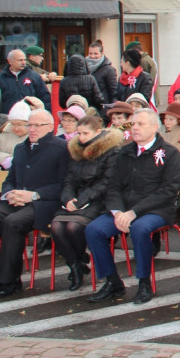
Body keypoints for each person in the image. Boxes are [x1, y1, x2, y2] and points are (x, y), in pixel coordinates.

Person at [85, 109, 180, 304]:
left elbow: (168, 191)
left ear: (155, 128)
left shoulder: (170, 153)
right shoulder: (125, 152)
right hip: (124, 209)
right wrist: (118, 212)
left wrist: (134, 212)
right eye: (134, 124)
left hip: (156, 210)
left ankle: (144, 283)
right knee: (94, 230)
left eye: (141, 124)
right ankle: (113, 282)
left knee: (140, 229)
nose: (135, 128)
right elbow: (113, 186)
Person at [0, 110, 70, 299]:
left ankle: (7, 281)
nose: (31, 129)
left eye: (36, 126)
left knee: (13, 223)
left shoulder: (61, 148)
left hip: (43, 204)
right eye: (29, 125)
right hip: (15, 200)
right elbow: (10, 179)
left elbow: (65, 184)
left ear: (50, 127)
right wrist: (10, 193)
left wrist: (34, 195)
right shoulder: (20, 148)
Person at [50, 115, 122, 291]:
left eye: (85, 133)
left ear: (98, 132)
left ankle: (79, 260)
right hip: (76, 199)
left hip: (98, 200)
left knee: (73, 227)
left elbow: (106, 182)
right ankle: (76, 264)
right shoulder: (76, 151)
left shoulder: (111, 151)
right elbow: (69, 179)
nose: (81, 138)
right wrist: (68, 198)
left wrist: (82, 200)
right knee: (56, 227)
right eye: (79, 133)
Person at [0, 49, 51, 114]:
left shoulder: (34, 76)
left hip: (30, 118)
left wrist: (46, 114)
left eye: (24, 59)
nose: (23, 63)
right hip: (7, 118)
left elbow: (45, 97)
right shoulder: (0, 78)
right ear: (10, 61)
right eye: (20, 60)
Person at [0, 102, 30, 172]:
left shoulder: (35, 135)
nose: (16, 128)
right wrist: (5, 160)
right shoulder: (4, 132)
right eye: (12, 124)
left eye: (19, 124)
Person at [87, 40, 119, 104]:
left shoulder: (109, 70)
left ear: (101, 53)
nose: (92, 56)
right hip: (88, 106)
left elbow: (114, 92)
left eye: (96, 53)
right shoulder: (84, 68)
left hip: (103, 107)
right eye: (90, 53)